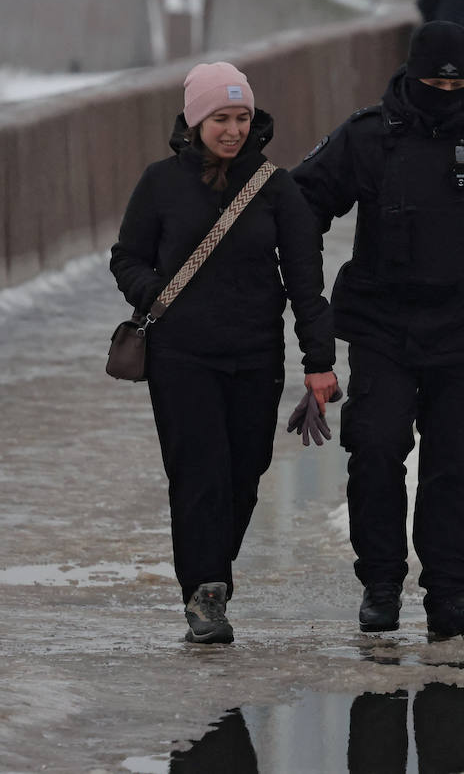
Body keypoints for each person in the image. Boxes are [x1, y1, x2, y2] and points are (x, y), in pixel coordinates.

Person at [290, 23, 464, 637]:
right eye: (433, 79)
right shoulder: (369, 135)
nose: (445, 89)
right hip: (384, 326)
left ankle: (448, 593)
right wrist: (297, 284)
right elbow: (302, 202)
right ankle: (381, 583)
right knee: (376, 451)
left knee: (456, 463)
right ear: (411, 74)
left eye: (456, 80)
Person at [110, 62, 339, 644]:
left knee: (245, 472)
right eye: (220, 118)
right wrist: (156, 294)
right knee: (198, 475)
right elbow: (127, 257)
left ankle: (212, 571)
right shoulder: (161, 183)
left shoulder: (275, 188)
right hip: (181, 358)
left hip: (255, 357)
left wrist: (318, 360)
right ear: (195, 121)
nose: (233, 130)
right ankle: (206, 590)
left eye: (241, 118)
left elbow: (306, 283)